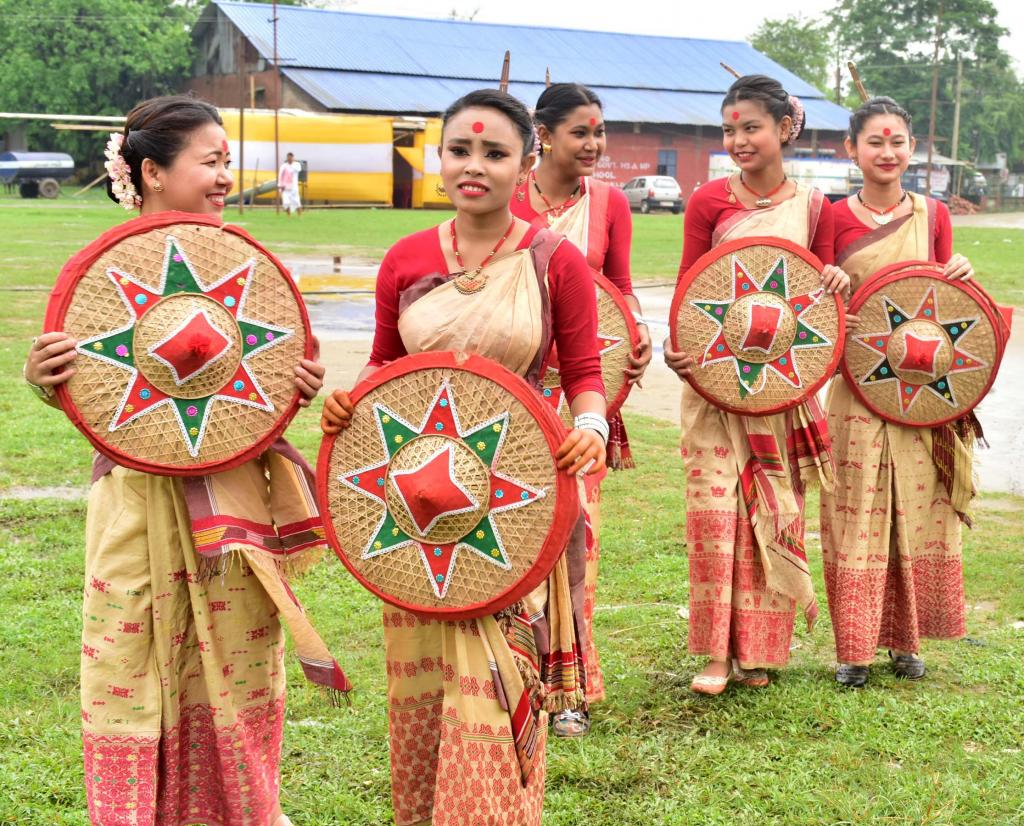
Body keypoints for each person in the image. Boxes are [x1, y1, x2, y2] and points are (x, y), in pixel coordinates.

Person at [23, 95, 345, 826]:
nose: (226, 176)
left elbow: (277, 378)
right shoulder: (103, 279)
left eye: (227, 161)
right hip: (136, 506)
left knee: (233, 675)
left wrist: (298, 384)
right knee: (126, 666)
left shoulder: (246, 266)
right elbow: (91, 396)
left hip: (233, 512)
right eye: (212, 162)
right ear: (151, 172)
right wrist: (45, 384)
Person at [321, 88, 606, 826]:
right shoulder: (406, 258)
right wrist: (349, 405)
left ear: (526, 162)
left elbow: (585, 374)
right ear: (438, 158)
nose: (473, 166)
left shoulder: (556, 262)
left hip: (517, 496)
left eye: (494, 152)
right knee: (422, 678)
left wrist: (594, 429)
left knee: (499, 670)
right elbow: (386, 366)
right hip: (414, 505)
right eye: (459, 150)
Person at [663, 75, 850, 695]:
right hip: (715, 382)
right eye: (729, 129)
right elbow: (691, 286)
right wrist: (679, 349)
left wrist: (836, 284)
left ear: (784, 129)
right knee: (716, 518)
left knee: (771, 514)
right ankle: (715, 655)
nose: (738, 140)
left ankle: (760, 652)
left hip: (780, 387)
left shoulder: (816, 206)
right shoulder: (708, 201)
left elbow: (819, 293)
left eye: (751, 128)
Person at [510, 82, 651, 736]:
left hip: (581, 394)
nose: (595, 145)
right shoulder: (506, 195)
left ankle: (566, 688)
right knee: (511, 528)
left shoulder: (612, 204)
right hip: (509, 390)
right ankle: (511, 676)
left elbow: (616, 290)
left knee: (576, 536)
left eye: (601, 133)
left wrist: (637, 332)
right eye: (581, 133)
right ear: (543, 133)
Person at [821, 96, 976, 688]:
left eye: (898, 143)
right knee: (854, 516)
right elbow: (818, 314)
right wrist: (830, 282)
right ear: (852, 150)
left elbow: (942, 305)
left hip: (919, 395)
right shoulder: (832, 219)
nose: (887, 153)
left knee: (915, 515)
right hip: (856, 391)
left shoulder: (933, 214)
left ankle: (907, 645)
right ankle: (853, 650)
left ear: (912, 149)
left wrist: (957, 272)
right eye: (874, 142)